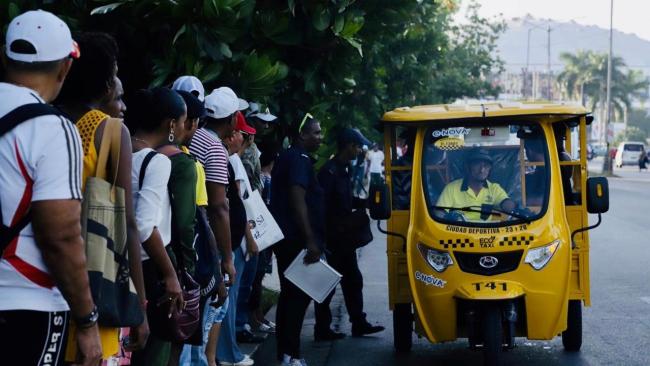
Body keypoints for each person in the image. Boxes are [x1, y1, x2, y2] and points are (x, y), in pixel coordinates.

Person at [0, 10, 102, 366]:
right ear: (64, 68)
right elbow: (60, 236)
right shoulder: (53, 128)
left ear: (5, 57)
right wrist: (87, 319)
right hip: (27, 304)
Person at [55, 31, 149, 363]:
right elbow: (127, 222)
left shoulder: (45, 120)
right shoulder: (110, 129)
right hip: (95, 278)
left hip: (45, 276)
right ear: (107, 84)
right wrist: (139, 307)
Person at [126, 88, 185, 366]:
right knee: (152, 353)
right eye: (183, 121)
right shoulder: (157, 161)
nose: (185, 127)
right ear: (171, 124)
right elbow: (144, 224)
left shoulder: (120, 150)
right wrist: (170, 274)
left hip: (118, 264)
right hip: (150, 268)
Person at [314, 128, 385, 341]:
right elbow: (321, 207)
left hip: (344, 240)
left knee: (353, 280)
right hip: (333, 240)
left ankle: (358, 322)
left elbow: (343, 202)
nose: (360, 151)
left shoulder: (343, 170)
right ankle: (323, 328)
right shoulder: (329, 172)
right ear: (349, 146)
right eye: (358, 146)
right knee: (328, 284)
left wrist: (363, 203)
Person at [271, 114, 325, 366]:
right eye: (316, 132)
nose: (320, 137)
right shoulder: (299, 159)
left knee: (290, 297)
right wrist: (310, 240)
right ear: (302, 135)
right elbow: (297, 198)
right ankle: (291, 355)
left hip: (288, 239)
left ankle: (286, 353)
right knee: (297, 298)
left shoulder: (289, 156)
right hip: (296, 240)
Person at [435, 149, 515, 221]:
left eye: (486, 166)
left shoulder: (494, 188)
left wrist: (512, 207)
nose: (482, 170)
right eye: (477, 165)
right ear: (467, 167)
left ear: (490, 169)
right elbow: (439, 213)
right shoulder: (451, 188)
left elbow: (506, 203)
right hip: (459, 234)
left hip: (487, 234)